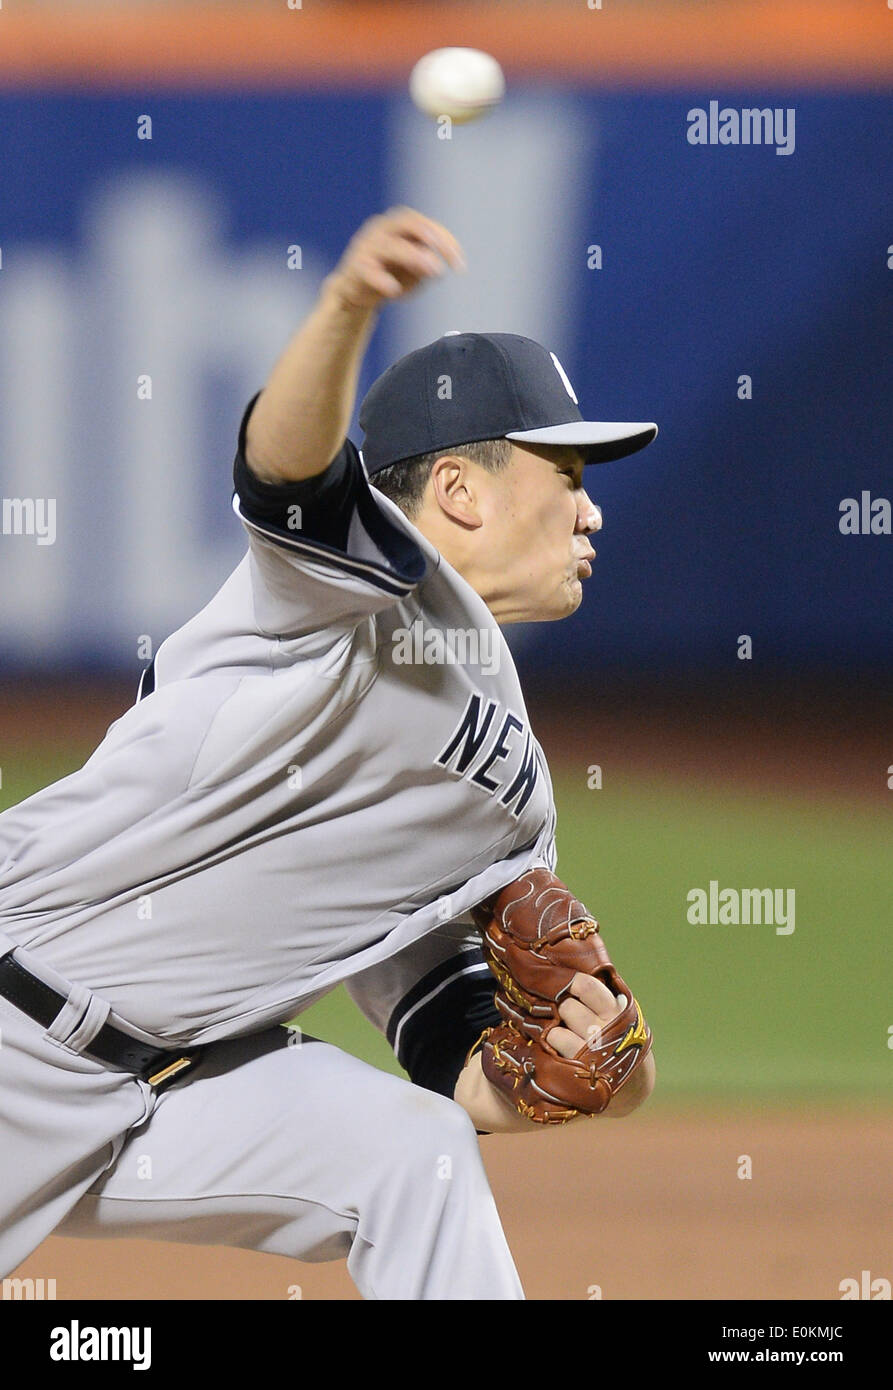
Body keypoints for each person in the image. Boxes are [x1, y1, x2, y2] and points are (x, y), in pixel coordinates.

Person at [0, 207, 657, 1300]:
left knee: (415, 1156)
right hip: (10, 1030)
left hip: (169, 1094)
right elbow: (287, 475)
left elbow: (448, 1046)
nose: (590, 513)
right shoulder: (342, 598)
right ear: (457, 491)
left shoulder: (517, 797)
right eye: (567, 475)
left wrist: (594, 1073)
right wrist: (346, 306)